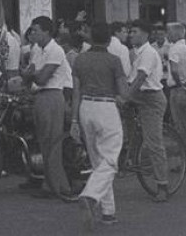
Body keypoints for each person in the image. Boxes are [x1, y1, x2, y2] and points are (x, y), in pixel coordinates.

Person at [70, 22, 127, 228]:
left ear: (91, 37)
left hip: (86, 107)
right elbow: (123, 93)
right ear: (110, 39)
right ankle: (90, 196)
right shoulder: (114, 60)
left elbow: (76, 91)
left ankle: (108, 211)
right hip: (107, 107)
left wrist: (74, 120)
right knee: (110, 160)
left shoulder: (80, 60)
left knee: (98, 162)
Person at [22, 15, 76, 203]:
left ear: (46, 31)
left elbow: (41, 77)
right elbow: (30, 74)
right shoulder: (37, 50)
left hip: (53, 95)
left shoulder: (56, 50)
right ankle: (50, 184)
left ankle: (62, 187)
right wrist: (31, 74)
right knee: (44, 142)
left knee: (53, 143)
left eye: (36, 29)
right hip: (40, 96)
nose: (33, 33)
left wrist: (31, 74)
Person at [124, 18, 168, 202]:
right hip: (139, 96)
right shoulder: (136, 52)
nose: (130, 35)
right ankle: (130, 156)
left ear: (145, 34)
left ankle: (162, 185)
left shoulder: (148, 53)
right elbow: (130, 79)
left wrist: (125, 97)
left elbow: (140, 78)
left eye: (134, 32)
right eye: (130, 32)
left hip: (151, 99)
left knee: (154, 142)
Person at [165, 22, 186, 173]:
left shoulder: (174, 49)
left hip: (179, 89)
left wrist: (180, 83)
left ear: (175, 34)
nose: (167, 35)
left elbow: (173, 70)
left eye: (169, 32)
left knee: (181, 127)